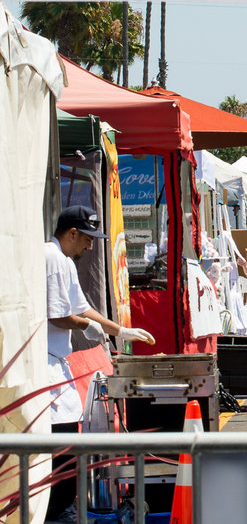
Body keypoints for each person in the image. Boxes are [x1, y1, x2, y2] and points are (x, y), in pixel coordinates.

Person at [46, 205, 154, 520]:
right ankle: (56, 512)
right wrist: (85, 326)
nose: (90, 246)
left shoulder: (63, 260)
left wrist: (119, 329)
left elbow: (82, 305)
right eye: (88, 238)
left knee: (68, 441)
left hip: (57, 363)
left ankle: (63, 509)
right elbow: (59, 314)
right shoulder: (51, 258)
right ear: (72, 233)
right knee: (62, 445)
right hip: (47, 364)